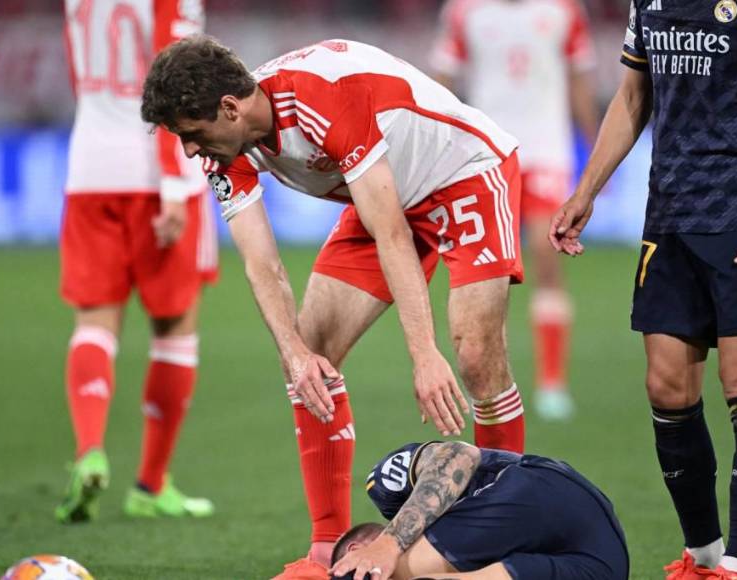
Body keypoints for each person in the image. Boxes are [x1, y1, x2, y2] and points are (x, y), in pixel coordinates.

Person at [141, 37, 528, 577]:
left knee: (476, 356)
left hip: (465, 174)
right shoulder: (225, 149)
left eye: (192, 135)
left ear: (229, 108)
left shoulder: (325, 97)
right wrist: (295, 354)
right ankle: (326, 551)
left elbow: (391, 234)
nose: (188, 151)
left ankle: (503, 530)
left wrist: (423, 354)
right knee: (310, 351)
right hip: (381, 196)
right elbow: (262, 264)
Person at [549, 0, 737, 577]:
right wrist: (586, 190)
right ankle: (703, 557)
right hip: (669, 213)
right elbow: (633, 98)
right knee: (667, 387)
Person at [55, 0, 219, 523]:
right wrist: (173, 182)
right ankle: (150, 482)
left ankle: (89, 451)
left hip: (89, 167)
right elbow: (179, 81)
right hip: (154, 172)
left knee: (94, 322)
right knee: (175, 330)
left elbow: (77, 67)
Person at [430, 0, 601, 420]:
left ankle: (552, 384)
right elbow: (442, 81)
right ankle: (491, 379)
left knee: (546, 254)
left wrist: (595, 149)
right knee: (489, 274)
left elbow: (579, 78)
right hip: (486, 153)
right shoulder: (464, 11)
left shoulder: (563, 9)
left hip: (545, 149)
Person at [330, 441, 628, 580]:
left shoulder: (386, 490)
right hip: (603, 561)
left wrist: (388, 543)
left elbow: (459, 454)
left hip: (537, 489)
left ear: (356, 549)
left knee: (357, 578)